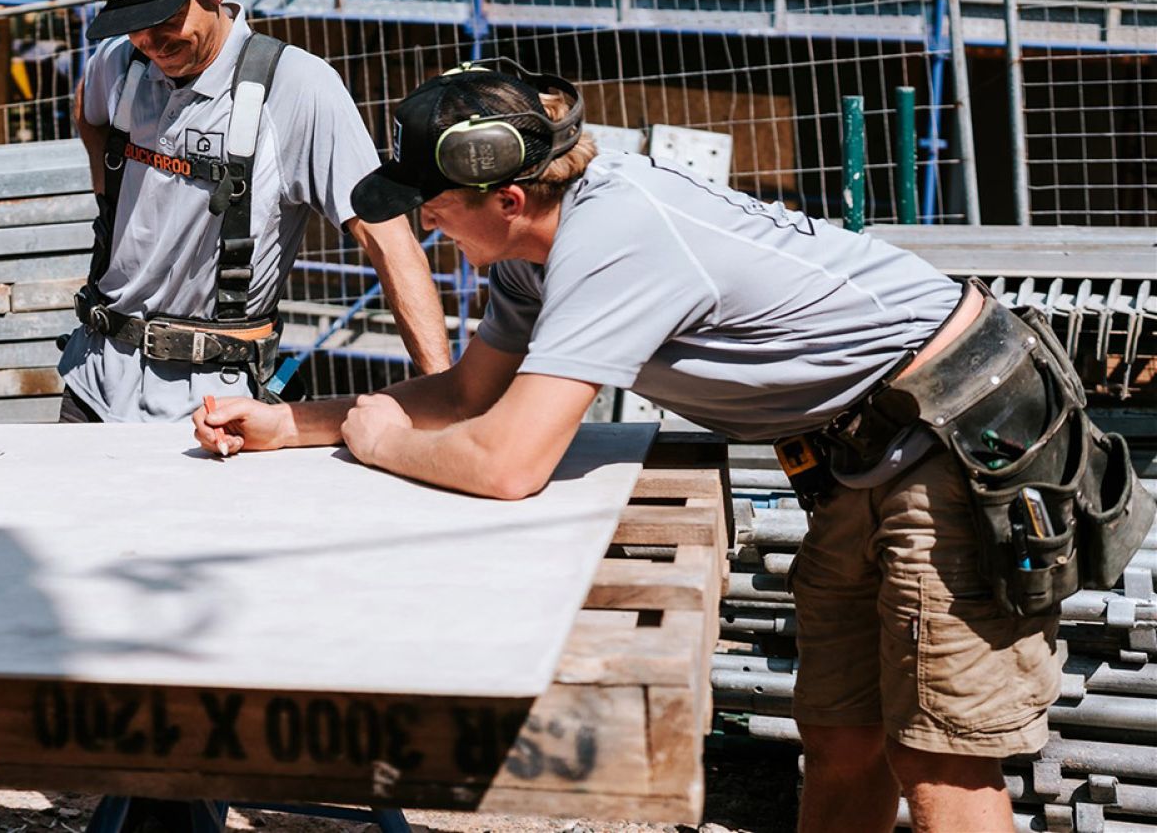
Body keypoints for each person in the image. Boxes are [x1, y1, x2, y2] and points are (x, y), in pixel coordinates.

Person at [195, 61, 1150, 833]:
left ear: (510, 193)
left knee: (941, 760)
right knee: (842, 736)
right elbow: (464, 395)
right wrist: (296, 423)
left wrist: (379, 443)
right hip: (871, 451)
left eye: (432, 201)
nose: (420, 218)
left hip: (958, 441)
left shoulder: (616, 236)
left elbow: (508, 461)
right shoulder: (537, 251)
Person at [61, 0, 451, 423]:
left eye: (164, 20)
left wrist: (446, 398)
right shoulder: (119, 63)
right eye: (133, 26)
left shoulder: (296, 89)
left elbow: (388, 239)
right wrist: (107, 193)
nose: (151, 43)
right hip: (93, 382)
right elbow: (87, 108)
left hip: (209, 407)